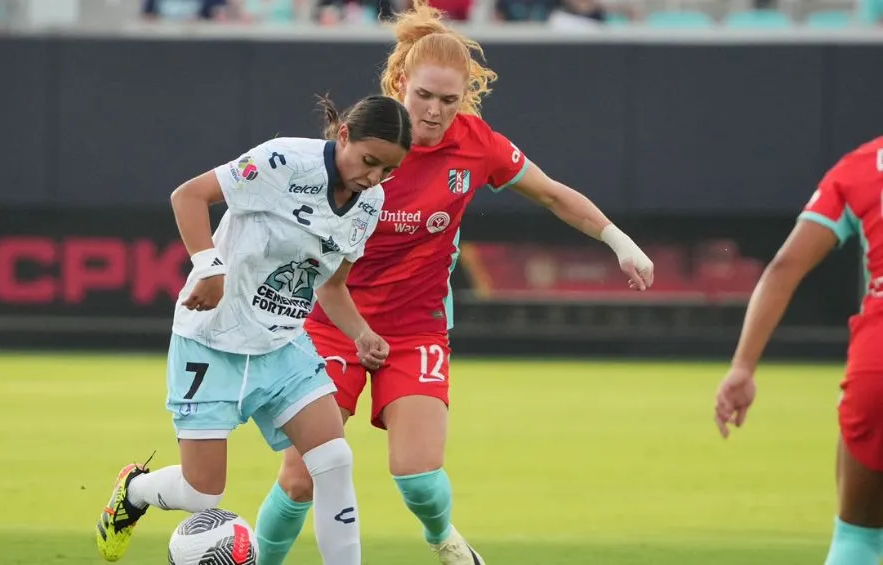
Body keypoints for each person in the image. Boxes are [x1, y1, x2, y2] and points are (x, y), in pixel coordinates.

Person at [253, 2, 656, 564]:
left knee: (417, 478)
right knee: (300, 480)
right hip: (333, 324)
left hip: (416, 330)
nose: (436, 112)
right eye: (424, 96)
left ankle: (444, 538)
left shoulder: (477, 144)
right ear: (399, 83)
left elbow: (552, 193)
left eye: (450, 100)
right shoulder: (361, 142)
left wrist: (619, 241)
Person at [94, 94, 412, 565]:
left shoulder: (371, 204)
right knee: (203, 494)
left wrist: (361, 333)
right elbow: (188, 196)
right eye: (369, 161)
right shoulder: (283, 160)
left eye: (388, 170)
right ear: (343, 134)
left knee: (335, 461)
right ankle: (135, 491)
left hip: (282, 346)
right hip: (212, 339)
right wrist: (209, 267)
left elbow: (331, 287)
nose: (374, 178)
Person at [714, 136, 883, 565]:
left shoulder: (862, 166)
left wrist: (742, 367)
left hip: (878, 363)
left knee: (858, 538)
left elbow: (785, 267)